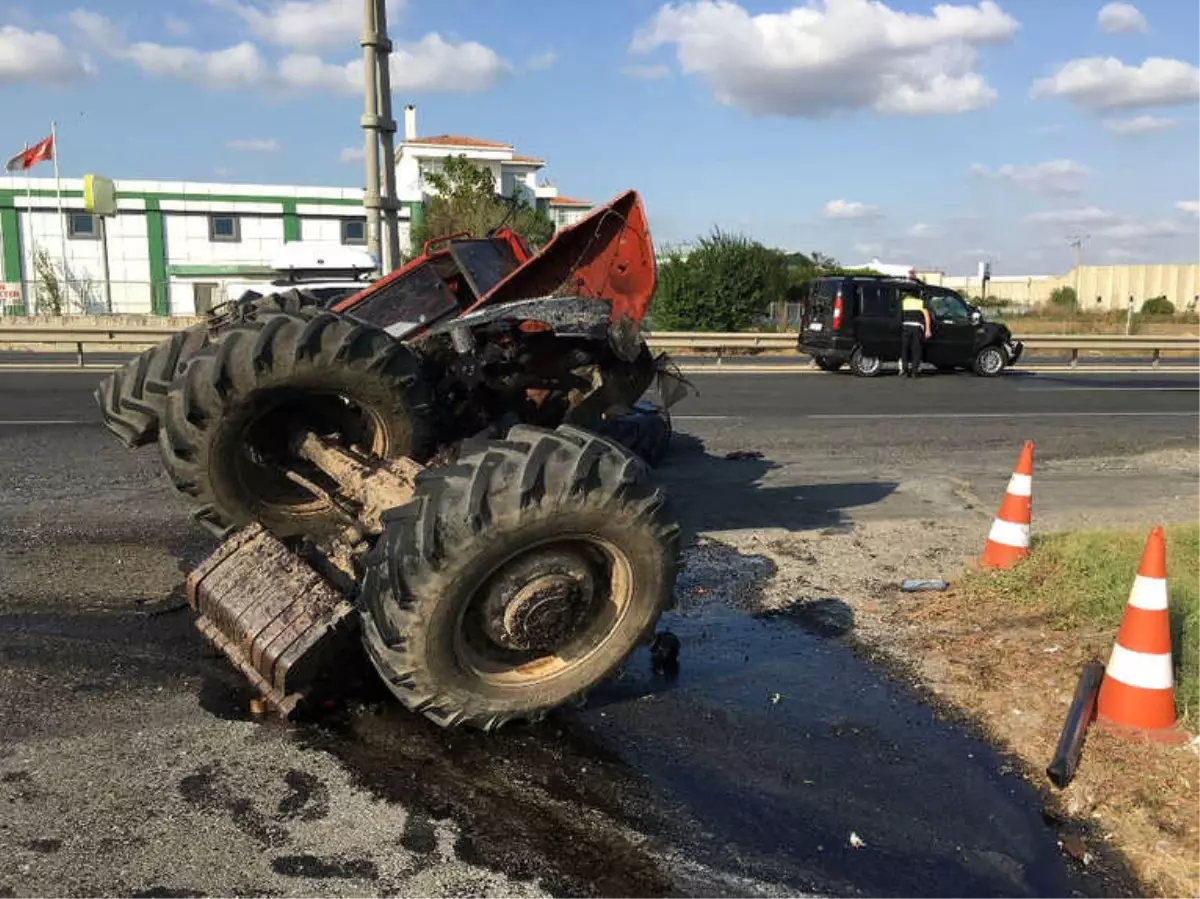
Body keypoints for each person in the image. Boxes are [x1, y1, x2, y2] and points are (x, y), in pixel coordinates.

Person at [900, 289, 932, 378]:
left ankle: (905, 370)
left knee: (905, 350)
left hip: (906, 327)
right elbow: (927, 316)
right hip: (917, 328)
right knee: (916, 350)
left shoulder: (904, 302)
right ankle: (914, 372)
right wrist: (928, 330)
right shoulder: (920, 302)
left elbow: (900, 315)